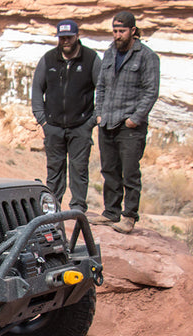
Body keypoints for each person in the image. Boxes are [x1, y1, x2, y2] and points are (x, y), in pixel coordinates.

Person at [88, 11, 160, 234]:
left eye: (122, 31)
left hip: (130, 126)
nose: (118, 35)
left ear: (133, 31)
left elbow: (151, 91)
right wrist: (99, 114)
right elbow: (101, 86)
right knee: (109, 169)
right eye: (115, 31)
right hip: (107, 122)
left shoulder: (147, 56)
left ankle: (129, 216)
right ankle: (111, 212)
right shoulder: (110, 53)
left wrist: (135, 119)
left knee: (130, 172)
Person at [32, 19, 101, 213]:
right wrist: (43, 120)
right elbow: (37, 89)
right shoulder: (49, 58)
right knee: (54, 169)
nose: (65, 41)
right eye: (62, 38)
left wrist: (92, 120)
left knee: (79, 169)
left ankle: (78, 207)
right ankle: (53, 208)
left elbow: (103, 89)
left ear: (77, 36)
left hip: (80, 125)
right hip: (53, 125)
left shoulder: (91, 59)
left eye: (69, 37)